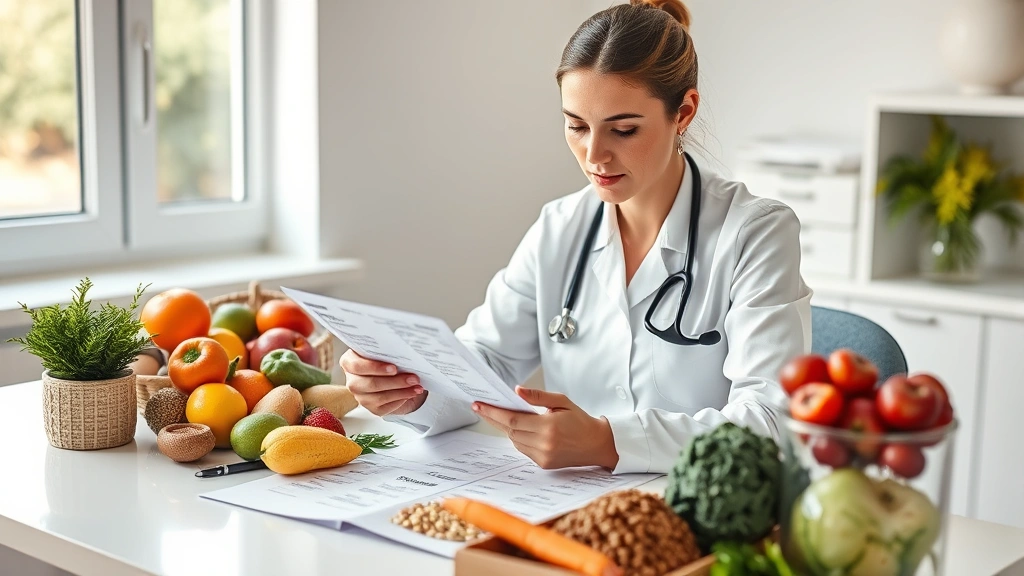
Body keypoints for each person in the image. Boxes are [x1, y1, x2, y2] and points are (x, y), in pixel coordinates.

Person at [342, 0, 812, 474]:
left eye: (623, 129)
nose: (595, 156)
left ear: (684, 112)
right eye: (576, 126)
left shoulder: (756, 232)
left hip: (705, 506)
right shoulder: (559, 228)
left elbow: (771, 419)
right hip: (572, 505)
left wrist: (610, 443)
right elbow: (482, 365)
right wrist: (411, 392)